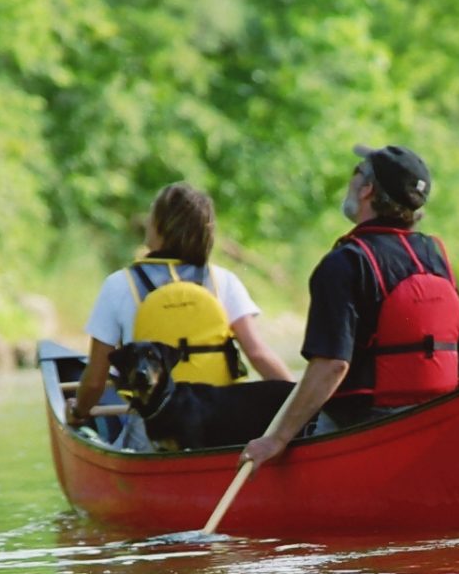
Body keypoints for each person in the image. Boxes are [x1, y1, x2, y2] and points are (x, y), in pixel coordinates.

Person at [241, 144, 459, 469]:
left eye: (356, 172)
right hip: (433, 418)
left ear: (367, 189)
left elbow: (332, 365)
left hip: (363, 427)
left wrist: (275, 440)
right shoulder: (435, 256)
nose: (352, 180)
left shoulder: (344, 263)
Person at [70, 182, 293, 448]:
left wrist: (78, 411)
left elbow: (95, 381)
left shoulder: (119, 285)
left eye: (152, 214)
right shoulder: (223, 281)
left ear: (162, 225)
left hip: (153, 429)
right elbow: (258, 355)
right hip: (224, 427)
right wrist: (301, 404)